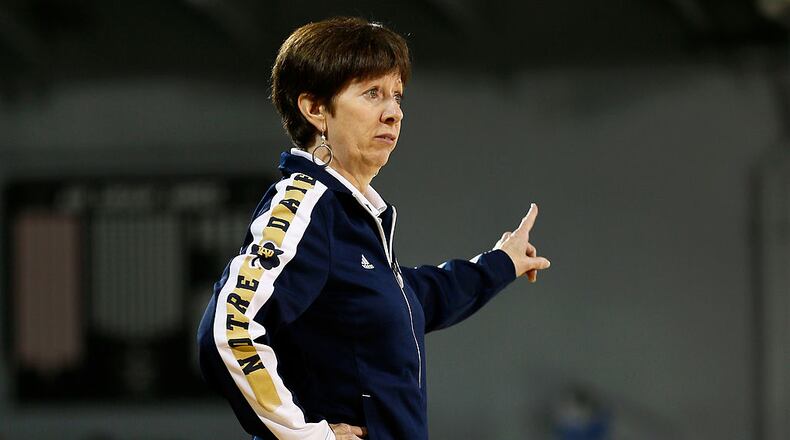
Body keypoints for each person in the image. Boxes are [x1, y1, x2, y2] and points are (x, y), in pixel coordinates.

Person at [197, 16, 551, 440]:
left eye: (397, 96)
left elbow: (406, 299)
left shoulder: (351, 214)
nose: (394, 113)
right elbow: (231, 327)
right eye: (372, 94)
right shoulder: (305, 202)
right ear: (315, 109)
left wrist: (500, 264)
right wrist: (305, 436)